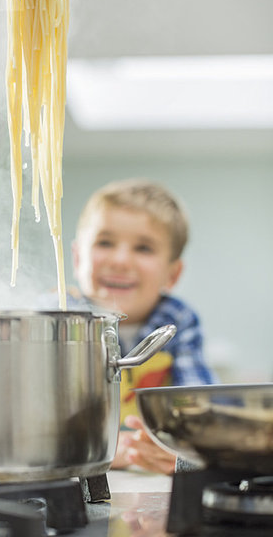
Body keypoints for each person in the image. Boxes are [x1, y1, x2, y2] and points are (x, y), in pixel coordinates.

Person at [65, 178, 216, 474]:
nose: (121, 260)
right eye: (105, 242)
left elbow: (201, 413)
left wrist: (182, 455)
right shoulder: (56, 316)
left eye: (144, 248)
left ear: (172, 274)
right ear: (77, 257)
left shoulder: (179, 321)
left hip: (149, 477)